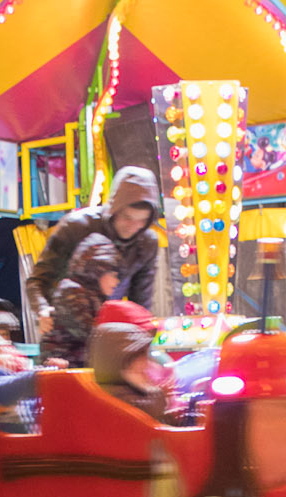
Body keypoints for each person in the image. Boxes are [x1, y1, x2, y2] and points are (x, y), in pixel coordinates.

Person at [25, 167, 162, 338]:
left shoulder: (147, 242)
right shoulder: (76, 226)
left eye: (142, 220)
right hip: (64, 328)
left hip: (107, 331)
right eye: (127, 217)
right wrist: (42, 309)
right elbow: (37, 280)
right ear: (114, 209)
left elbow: (141, 302)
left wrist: (141, 334)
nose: (133, 227)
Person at [40, 234, 121, 369]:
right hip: (61, 369)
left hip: (80, 368)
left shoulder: (94, 295)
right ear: (97, 270)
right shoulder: (71, 291)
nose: (116, 282)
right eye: (113, 275)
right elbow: (91, 335)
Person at [89, 301, 175, 419]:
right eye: (139, 357)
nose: (145, 364)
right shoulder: (117, 396)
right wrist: (158, 394)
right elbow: (146, 412)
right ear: (122, 359)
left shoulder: (126, 387)